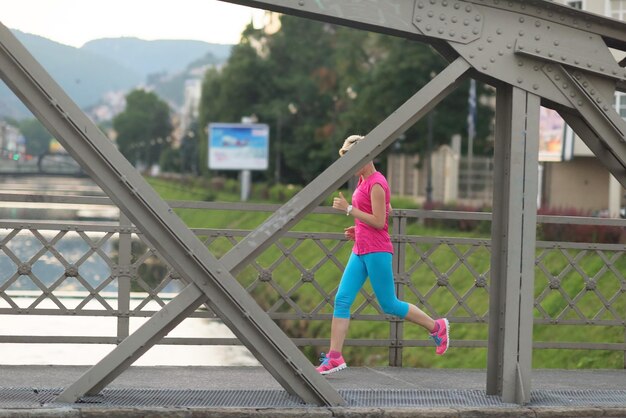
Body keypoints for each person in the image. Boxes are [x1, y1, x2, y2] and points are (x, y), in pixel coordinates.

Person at [316, 134, 449, 375]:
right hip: (361, 249)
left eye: (353, 158)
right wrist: (358, 230)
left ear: (366, 156)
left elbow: (380, 222)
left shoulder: (377, 183)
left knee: (389, 304)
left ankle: (436, 326)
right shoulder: (363, 181)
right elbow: (387, 211)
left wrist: (349, 210)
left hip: (377, 251)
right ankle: (334, 357)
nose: (350, 164)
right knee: (342, 300)